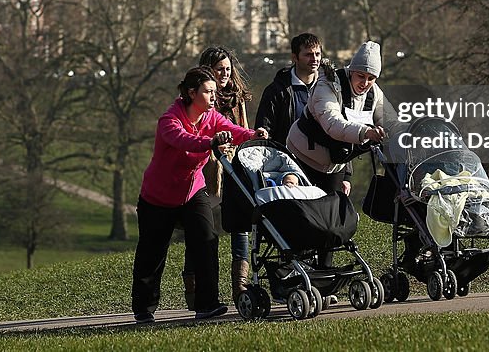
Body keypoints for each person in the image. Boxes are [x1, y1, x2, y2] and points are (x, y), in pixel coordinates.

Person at [131, 66, 267, 323]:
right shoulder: (169, 120)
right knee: (152, 252)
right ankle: (144, 309)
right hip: (158, 197)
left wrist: (252, 134)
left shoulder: (210, 116)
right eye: (208, 91)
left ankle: (207, 304)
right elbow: (185, 141)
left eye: (215, 91)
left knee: (206, 240)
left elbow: (230, 128)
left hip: (192, 191)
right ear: (192, 93)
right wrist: (210, 142)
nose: (214, 96)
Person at [286, 40, 387, 196]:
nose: (365, 83)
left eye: (371, 78)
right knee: (304, 209)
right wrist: (366, 132)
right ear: (351, 71)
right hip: (301, 156)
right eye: (361, 76)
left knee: (334, 212)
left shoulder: (375, 94)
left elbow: (389, 123)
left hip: (335, 163)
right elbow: (333, 124)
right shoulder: (327, 84)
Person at [195, 45, 254, 304]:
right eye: (219, 69)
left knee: (240, 224)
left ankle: (240, 285)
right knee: (205, 229)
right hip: (208, 168)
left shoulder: (236, 97)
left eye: (228, 69)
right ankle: (198, 287)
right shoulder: (201, 99)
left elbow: (243, 128)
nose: (225, 74)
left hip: (236, 165)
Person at [255, 33, 322, 146]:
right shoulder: (276, 91)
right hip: (287, 159)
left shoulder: (331, 87)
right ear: (295, 57)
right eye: (308, 55)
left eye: (317, 54)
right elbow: (264, 131)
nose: (314, 59)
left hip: (325, 161)